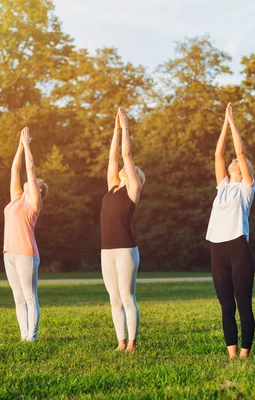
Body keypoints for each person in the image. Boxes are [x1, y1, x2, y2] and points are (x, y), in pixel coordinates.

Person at [206, 103, 255, 359]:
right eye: (234, 160)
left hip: (238, 248)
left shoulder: (246, 187)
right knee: (226, 307)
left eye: (239, 161)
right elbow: (218, 156)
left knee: (243, 306)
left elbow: (239, 149)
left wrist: (235, 123)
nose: (234, 160)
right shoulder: (223, 186)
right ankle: (232, 356)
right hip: (217, 248)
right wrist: (224, 124)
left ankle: (245, 357)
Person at [100, 108, 146, 352]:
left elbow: (126, 155)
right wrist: (115, 130)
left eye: (130, 169)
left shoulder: (132, 190)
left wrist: (126, 127)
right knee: (114, 298)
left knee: (127, 297)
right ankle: (120, 342)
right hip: (106, 250)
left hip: (126, 250)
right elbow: (113, 158)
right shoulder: (112, 188)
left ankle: (132, 343)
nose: (123, 168)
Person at [3, 127, 48, 342]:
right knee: (18, 298)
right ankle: (23, 336)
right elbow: (15, 170)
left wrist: (28, 145)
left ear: (39, 191)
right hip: (9, 253)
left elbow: (30, 168)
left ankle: (32, 336)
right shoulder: (17, 198)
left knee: (30, 296)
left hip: (26, 253)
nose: (33, 180)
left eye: (37, 182)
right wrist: (20, 145)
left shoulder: (33, 203)